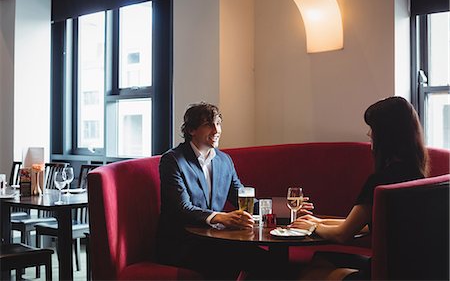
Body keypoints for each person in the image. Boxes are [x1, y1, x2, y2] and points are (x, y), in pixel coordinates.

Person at [156, 102, 312, 280]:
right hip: (182, 244)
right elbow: (181, 208)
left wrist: (288, 209)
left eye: (218, 123)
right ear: (191, 130)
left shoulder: (224, 161)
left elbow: (244, 200)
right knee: (254, 260)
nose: (216, 130)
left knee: (266, 260)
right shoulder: (173, 160)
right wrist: (220, 217)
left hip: (214, 240)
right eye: (209, 124)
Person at [291, 96, 429, 280]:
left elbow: (343, 235)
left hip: (383, 273)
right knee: (321, 258)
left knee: (310, 274)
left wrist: (311, 228)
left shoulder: (381, 180)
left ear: (386, 135)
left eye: (373, 128)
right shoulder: (415, 175)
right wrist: (317, 222)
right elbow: (364, 225)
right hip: (409, 270)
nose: (369, 134)